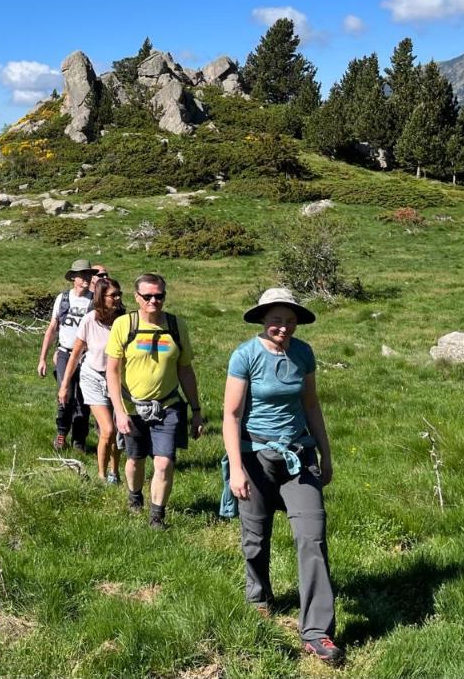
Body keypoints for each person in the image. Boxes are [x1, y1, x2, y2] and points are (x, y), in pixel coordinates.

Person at [223, 288, 343, 666]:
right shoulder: (244, 356)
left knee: (312, 536)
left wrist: (325, 453)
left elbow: (311, 404)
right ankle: (259, 597)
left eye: (289, 321)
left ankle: (316, 631)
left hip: (299, 456)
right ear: (263, 319)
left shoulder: (303, 353)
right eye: (276, 320)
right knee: (255, 537)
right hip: (255, 456)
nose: (283, 327)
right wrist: (237, 468)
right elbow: (231, 415)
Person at [105, 273, 205, 529]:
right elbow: (113, 371)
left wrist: (196, 410)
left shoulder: (176, 325)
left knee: (164, 462)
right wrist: (119, 411)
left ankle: (157, 516)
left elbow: (185, 369)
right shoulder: (124, 325)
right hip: (132, 406)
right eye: (147, 296)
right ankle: (135, 496)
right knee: (135, 459)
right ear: (136, 297)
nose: (153, 301)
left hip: (168, 405)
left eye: (158, 296)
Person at [59, 276, 125, 483]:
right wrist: (64, 385)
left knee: (117, 430)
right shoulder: (90, 319)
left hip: (117, 380)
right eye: (112, 295)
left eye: (118, 294)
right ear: (100, 297)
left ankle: (115, 472)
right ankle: (101, 475)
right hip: (93, 377)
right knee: (108, 429)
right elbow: (76, 353)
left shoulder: (125, 321)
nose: (116, 298)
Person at [38, 259, 95, 451]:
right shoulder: (62, 298)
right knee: (65, 395)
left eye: (89, 274)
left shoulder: (95, 300)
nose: (87, 278)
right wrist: (42, 359)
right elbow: (52, 328)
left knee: (84, 398)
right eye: (83, 275)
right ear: (73, 278)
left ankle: (79, 439)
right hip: (64, 353)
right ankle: (62, 432)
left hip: (87, 357)